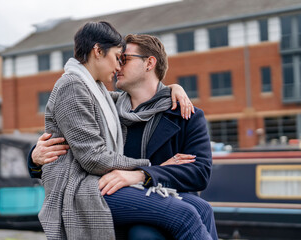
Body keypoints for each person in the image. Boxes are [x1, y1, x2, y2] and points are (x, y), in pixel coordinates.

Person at [30, 27, 217, 240]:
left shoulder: (184, 113)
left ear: (149, 63)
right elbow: (69, 136)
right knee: (149, 233)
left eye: (124, 58)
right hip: (108, 195)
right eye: (117, 57)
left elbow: (199, 173)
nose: (118, 65)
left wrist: (144, 174)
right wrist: (35, 157)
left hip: (155, 194)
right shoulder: (110, 107)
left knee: (203, 208)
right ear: (98, 52)